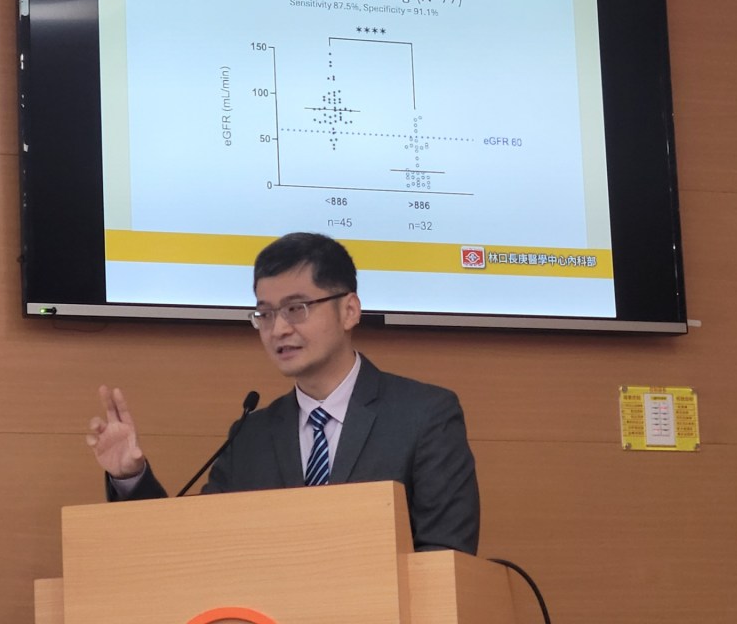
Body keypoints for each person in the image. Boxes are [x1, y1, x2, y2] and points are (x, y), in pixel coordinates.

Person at [87, 232, 480, 553]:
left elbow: (446, 555)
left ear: (349, 310)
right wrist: (131, 477)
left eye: (296, 309)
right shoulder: (250, 436)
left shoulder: (424, 415)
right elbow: (196, 548)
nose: (278, 330)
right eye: (265, 313)